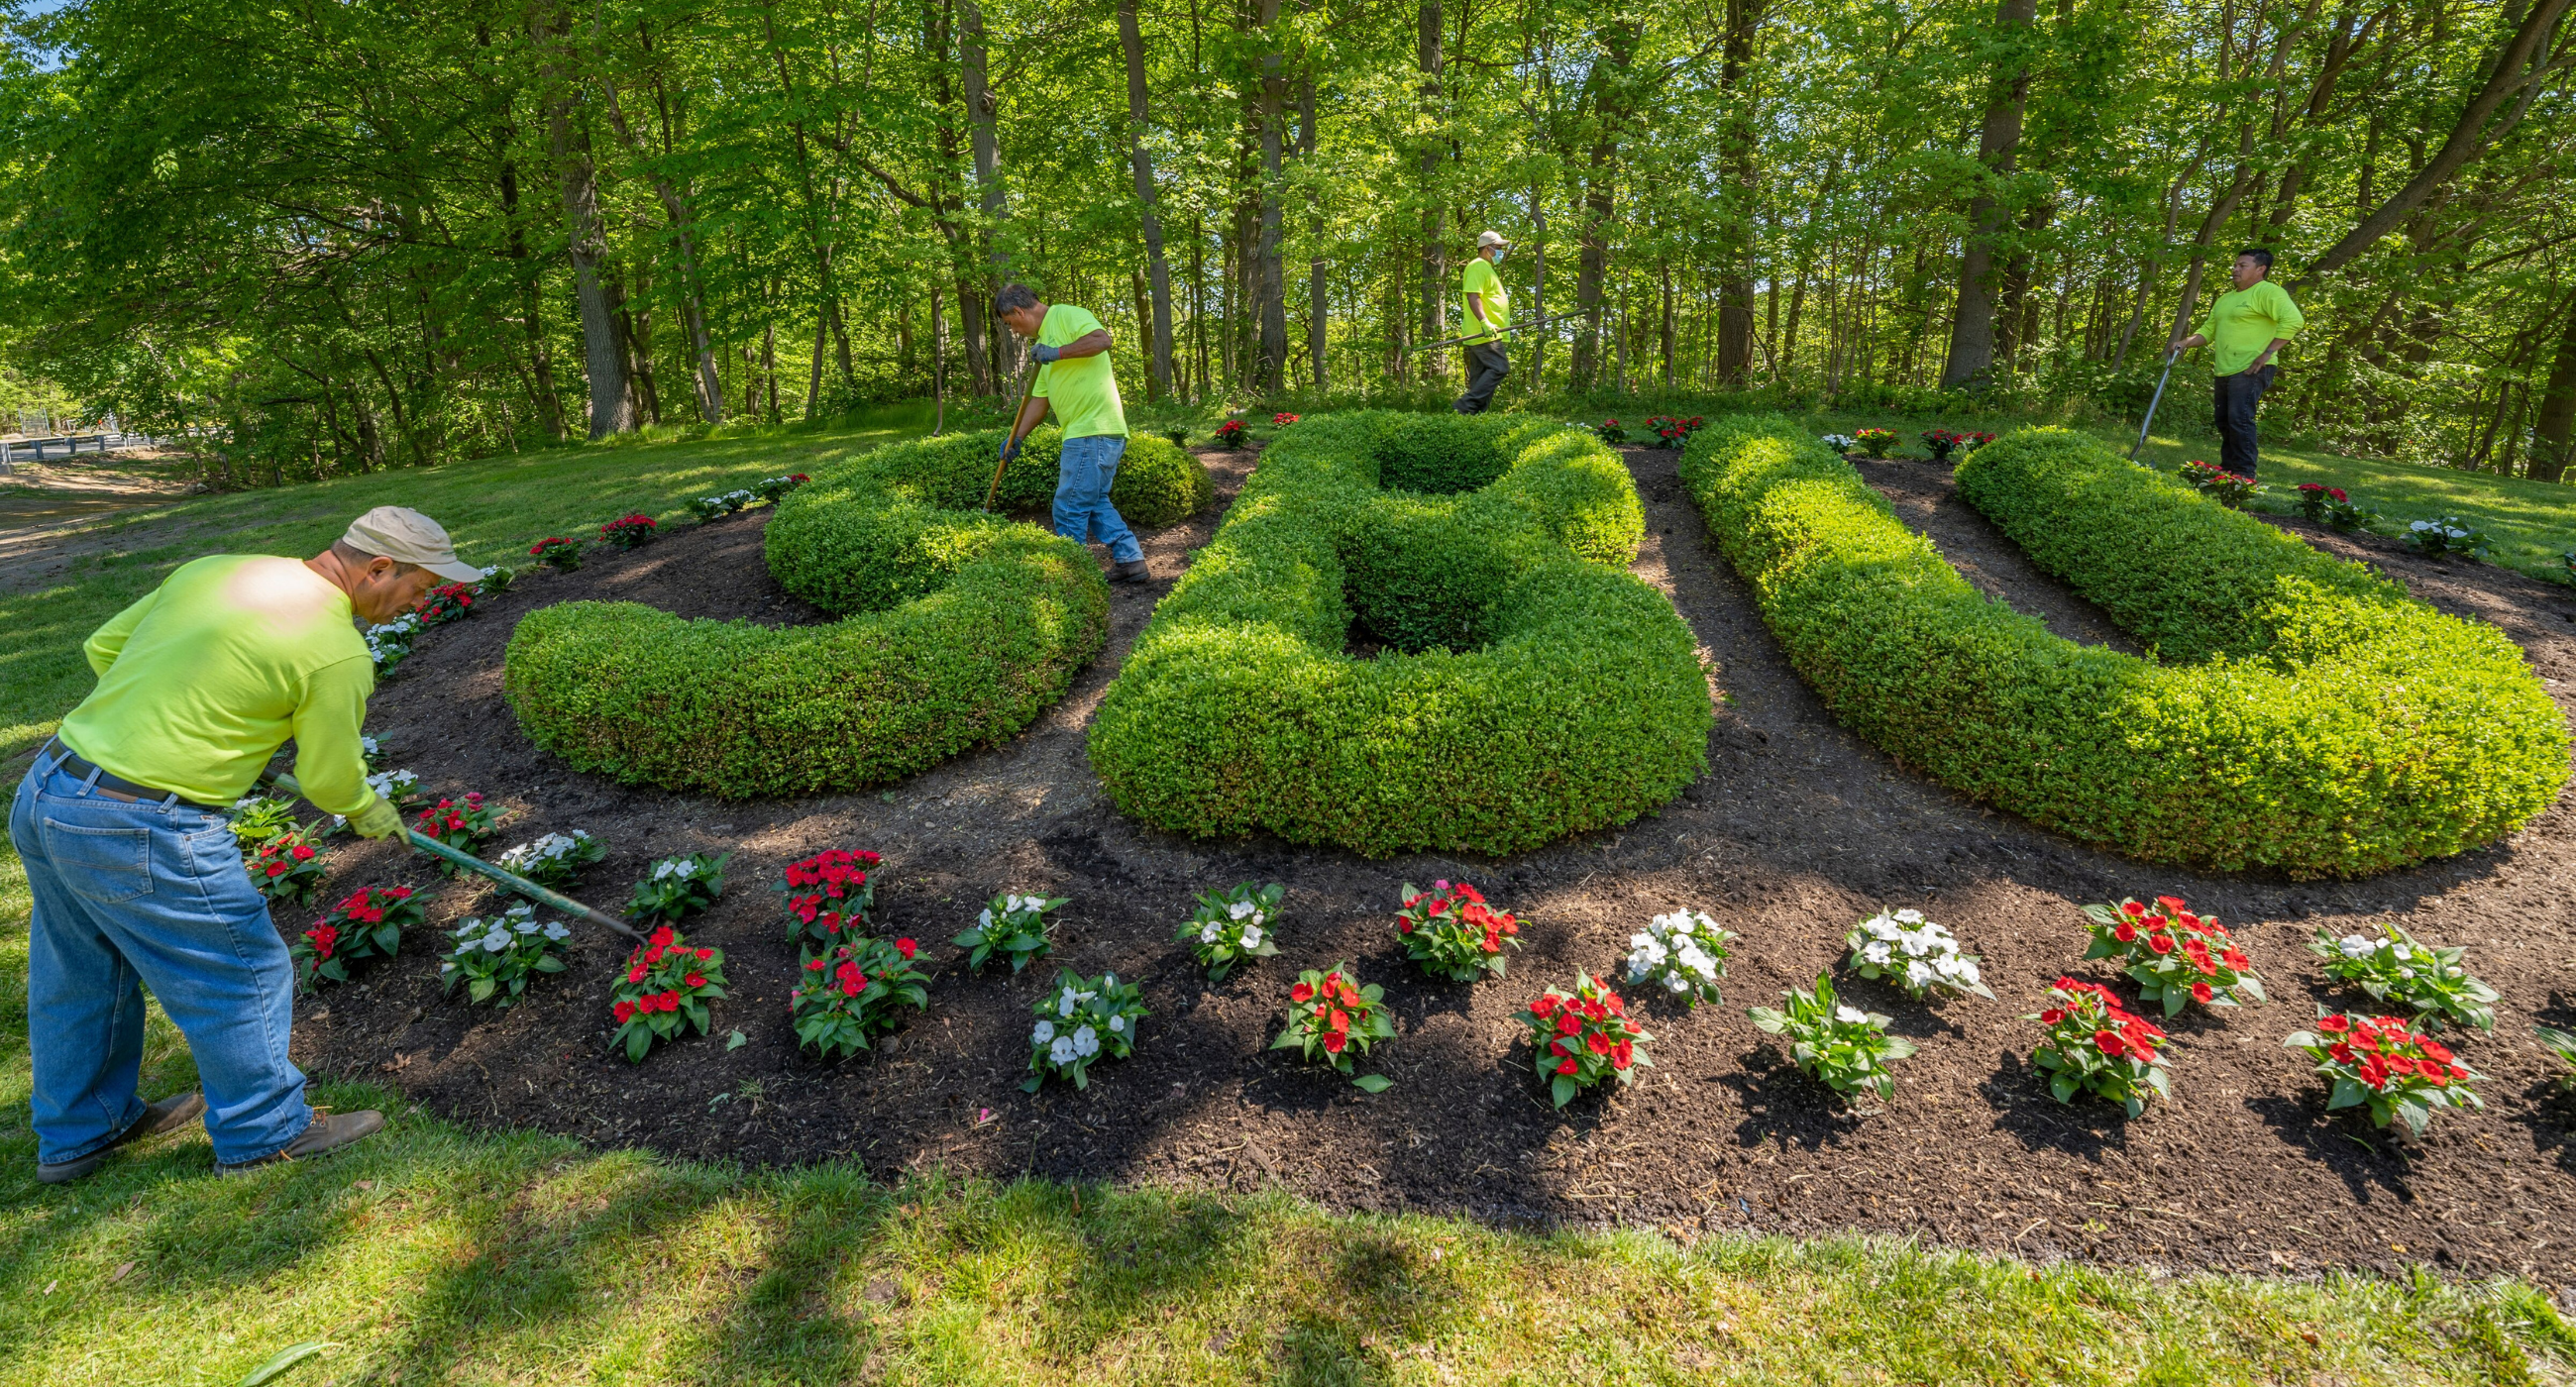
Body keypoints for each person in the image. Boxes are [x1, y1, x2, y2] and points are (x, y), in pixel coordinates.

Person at [13, 506, 482, 1182]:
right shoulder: (337, 650)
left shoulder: (220, 572)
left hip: (51, 789)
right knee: (240, 970)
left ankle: (83, 1129)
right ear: (378, 568)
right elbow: (327, 778)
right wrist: (368, 810)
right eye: (421, 584)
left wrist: (193, 710)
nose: (425, 598)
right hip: (140, 821)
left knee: (81, 971)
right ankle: (264, 1130)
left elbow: (104, 649)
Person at [996, 283, 1148, 584]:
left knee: (1068, 507)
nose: (1013, 331)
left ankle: (1074, 579)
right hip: (1098, 432)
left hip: (1090, 431)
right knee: (1093, 502)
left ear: (1018, 311)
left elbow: (1102, 340)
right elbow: (1040, 401)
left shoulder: (1064, 315)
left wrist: (1058, 352)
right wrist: (1017, 437)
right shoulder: (1043, 347)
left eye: (1010, 324)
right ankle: (1131, 561)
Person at [2171, 247, 2305, 480]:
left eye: (2242, 266)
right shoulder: (2226, 299)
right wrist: (2184, 342)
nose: (2235, 269)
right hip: (2225, 368)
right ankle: (2228, 470)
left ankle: (2244, 474)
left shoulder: (2269, 292)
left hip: (2252, 367)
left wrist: (2267, 353)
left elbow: (2294, 321)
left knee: (2239, 418)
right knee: (2224, 419)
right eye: (2235, 265)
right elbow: (2208, 331)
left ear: (2260, 269)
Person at [1454, 230, 1513, 414]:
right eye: (1499, 248)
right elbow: (1473, 295)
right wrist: (1485, 322)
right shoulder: (1478, 266)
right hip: (1485, 333)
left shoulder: (1487, 268)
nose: (1502, 251)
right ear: (1487, 248)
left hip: (1488, 332)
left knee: (1480, 377)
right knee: (1499, 368)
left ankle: (1472, 416)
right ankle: (1464, 405)